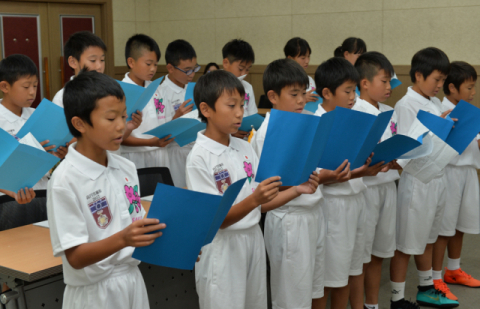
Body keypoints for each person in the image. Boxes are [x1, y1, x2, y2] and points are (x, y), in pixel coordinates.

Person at [186, 69, 319, 309]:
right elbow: (215, 220)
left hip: (252, 239)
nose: (240, 113)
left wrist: (297, 189)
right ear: (206, 110)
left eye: (242, 105)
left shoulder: (243, 148)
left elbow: (262, 203)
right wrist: (255, 199)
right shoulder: (199, 157)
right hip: (221, 247)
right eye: (231, 106)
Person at [47, 70, 166, 309]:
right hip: (93, 294)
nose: (122, 126)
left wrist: (177, 246)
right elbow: (76, 257)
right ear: (80, 123)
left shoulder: (125, 167)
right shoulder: (65, 180)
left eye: (123, 116)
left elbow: (137, 225)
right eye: (111, 119)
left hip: (132, 281)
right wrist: (123, 238)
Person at [251, 58, 345, 309]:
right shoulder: (267, 132)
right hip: (288, 219)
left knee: (315, 289)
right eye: (294, 95)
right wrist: (304, 182)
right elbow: (267, 189)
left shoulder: (306, 122)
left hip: (314, 212)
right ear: (272, 96)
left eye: (304, 93)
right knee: (292, 298)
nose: (302, 101)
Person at [313, 57, 386, 309]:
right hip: (332, 206)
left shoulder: (350, 116)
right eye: (347, 91)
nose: (353, 96)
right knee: (327, 278)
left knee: (350, 271)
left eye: (354, 90)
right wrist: (359, 172)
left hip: (356, 200)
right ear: (326, 93)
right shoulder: (318, 123)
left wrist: (366, 165)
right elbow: (322, 175)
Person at [390, 47, 459, 309]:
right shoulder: (406, 104)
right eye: (436, 80)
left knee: (429, 238)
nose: (440, 86)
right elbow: (407, 148)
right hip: (417, 182)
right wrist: (436, 127)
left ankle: (426, 287)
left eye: (443, 81)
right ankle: (396, 298)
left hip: (436, 178)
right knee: (406, 244)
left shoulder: (435, 102)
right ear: (418, 75)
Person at [351, 51, 400, 309]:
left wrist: (396, 158)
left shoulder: (390, 111)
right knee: (361, 255)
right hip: (365, 190)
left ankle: (372, 305)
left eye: (391, 81)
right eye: (384, 80)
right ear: (365, 83)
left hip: (388, 187)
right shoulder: (355, 111)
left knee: (381, 252)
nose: (389, 86)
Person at [431, 61, 480, 301]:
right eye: (469, 88)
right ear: (451, 88)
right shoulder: (443, 111)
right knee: (444, 228)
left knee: (460, 225)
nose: (473, 93)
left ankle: (453, 269)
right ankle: (436, 277)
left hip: (468, 172)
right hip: (448, 173)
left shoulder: (470, 111)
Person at [0, 54, 61, 202]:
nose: (32, 92)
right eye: (26, 86)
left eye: (35, 85)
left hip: (43, 191)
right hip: (9, 199)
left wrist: (57, 154)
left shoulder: (37, 116)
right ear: (5, 87)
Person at [120, 34, 173, 169]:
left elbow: (166, 122)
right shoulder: (120, 91)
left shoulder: (157, 88)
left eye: (155, 64)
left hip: (160, 153)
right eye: (148, 64)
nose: (153, 69)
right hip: (133, 157)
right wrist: (150, 142)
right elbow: (117, 136)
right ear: (131, 62)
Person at [222, 39, 258, 139]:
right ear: (226, 63)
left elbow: (253, 116)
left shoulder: (247, 87)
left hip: (244, 138)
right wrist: (229, 132)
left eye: (247, 69)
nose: (244, 74)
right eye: (241, 69)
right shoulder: (214, 85)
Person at [284, 37, 319, 102]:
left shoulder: (310, 79)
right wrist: (303, 98)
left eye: (308, 56)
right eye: (303, 58)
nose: (307, 61)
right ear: (290, 59)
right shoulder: (283, 79)